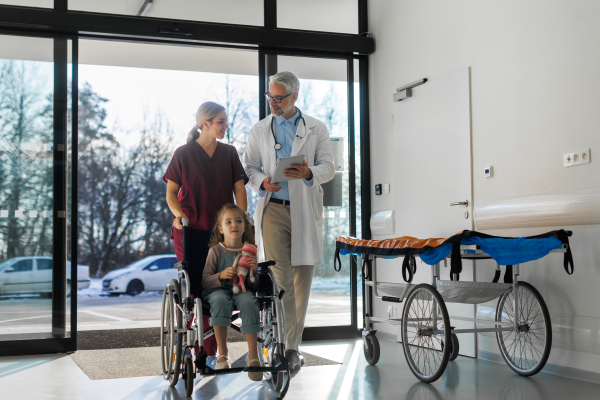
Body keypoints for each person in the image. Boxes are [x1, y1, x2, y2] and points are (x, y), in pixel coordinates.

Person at [243, 71, 334, 371]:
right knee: (282, 281)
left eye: (279, 97)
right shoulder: (259, 130)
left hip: (304, 209)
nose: (273, 102)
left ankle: (294, 347)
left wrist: (308, 173)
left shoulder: (316, 128)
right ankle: (284, 344)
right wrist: (262, 182)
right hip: (273, 209)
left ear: (295, 97)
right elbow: (249, 167)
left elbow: (329, 167)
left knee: (301, 280)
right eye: (270, 96)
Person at [163, 101, 249, 360]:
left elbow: (240, 190)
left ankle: (210, 352)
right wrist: (179, 215)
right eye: (220, 121)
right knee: (194, 288)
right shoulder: (183, 153)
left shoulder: (230, 153)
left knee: (219, 285)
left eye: (225, 121)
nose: (225, 126)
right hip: (190, 230)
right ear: (205, 124)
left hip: (222, 232)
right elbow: (170, 193)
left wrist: (241, 218)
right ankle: (192, 346)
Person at [202, 204, 262, 381]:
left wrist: (254, 270)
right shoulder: (215, 251)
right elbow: (205, 280)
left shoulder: (250, 252)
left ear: (245, 226)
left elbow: (254, 285)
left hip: (242, 290)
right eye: (228, 222)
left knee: (250, 302)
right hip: (217, 291)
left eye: (238, 221)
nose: (234, 225)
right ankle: (223, 353)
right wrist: (220, 275)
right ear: (221, 228)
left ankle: (253, 355)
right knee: (220, 300)